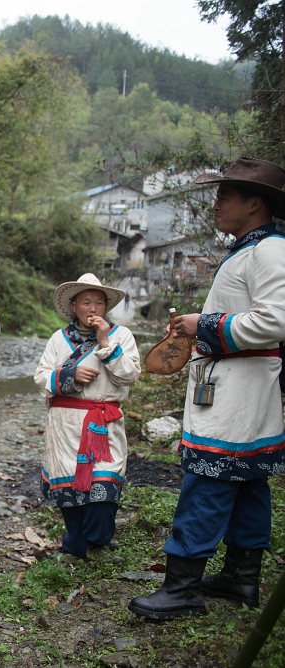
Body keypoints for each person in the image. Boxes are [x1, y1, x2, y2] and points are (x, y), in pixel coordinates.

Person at [130, 157, 285, 619]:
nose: (216, 204)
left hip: (240, 389)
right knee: (248, 483)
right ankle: (241, 578)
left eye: (225, 196)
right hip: (243, 386)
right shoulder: (251, 249)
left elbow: (276, 319)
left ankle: (181, 588)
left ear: (255, 203)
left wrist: (206, 324)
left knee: (208, 481)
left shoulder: (269, 251)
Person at [33, 274, 140, 564]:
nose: (93, 309)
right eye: (86, 302)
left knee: (105, 482)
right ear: (74, 306)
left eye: (99, 303)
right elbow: (41, 378)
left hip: (104, 422)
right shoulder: (58, 339)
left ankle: (98, 543)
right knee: (69, 486)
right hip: (66, 423)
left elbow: (129, 375)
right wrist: (70, 375)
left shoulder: (121, 336)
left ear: (106, 307)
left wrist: (105, 343)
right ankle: (76, 546)